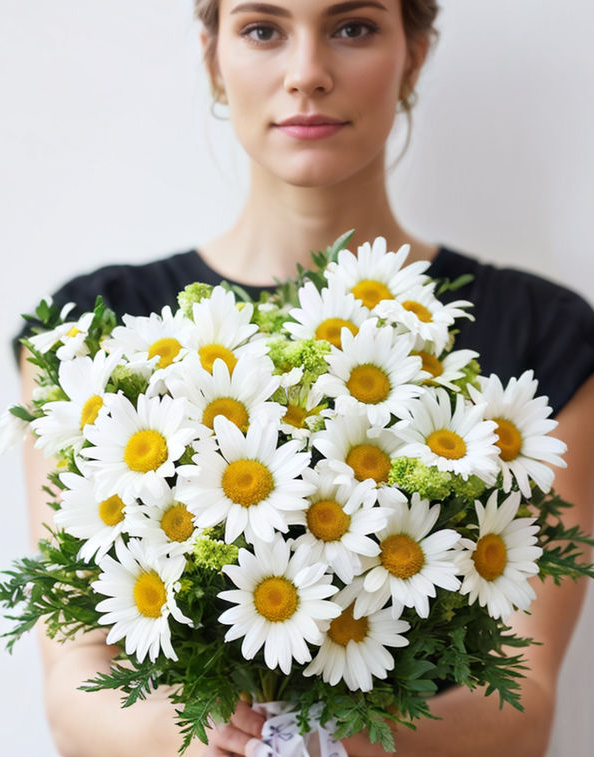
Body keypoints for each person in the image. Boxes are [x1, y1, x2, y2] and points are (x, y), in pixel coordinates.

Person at [18, 1, 594, 756]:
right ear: (211, 57)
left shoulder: (542, 332)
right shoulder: (93, 331)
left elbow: (526, 697)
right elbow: (75, 677)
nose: (307, 75)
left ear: (414, 53)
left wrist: (337, 743)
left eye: (352, 27)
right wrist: (201, 739)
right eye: (263, 29)